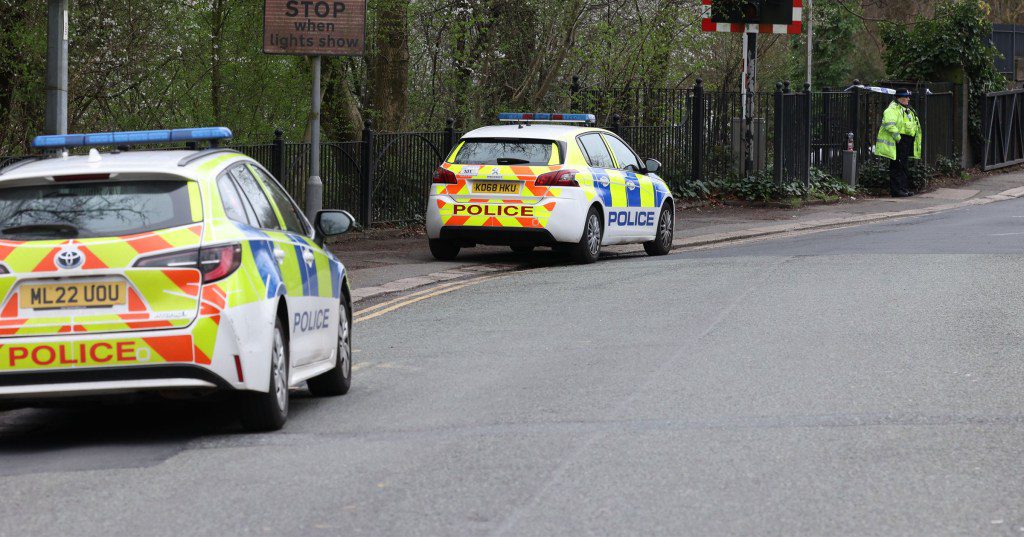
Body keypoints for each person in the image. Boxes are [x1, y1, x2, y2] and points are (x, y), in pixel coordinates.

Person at [874, 88, 922, 197]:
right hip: (899, 141)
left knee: (903, 165)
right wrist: (898, 138)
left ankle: (904, 189)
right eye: (906, 97)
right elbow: (889, 124)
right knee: (897, 166)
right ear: (899, 98)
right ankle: (897, 191)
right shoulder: (892, 109)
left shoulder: (906, 109)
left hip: (906, 141)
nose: (908, 99)